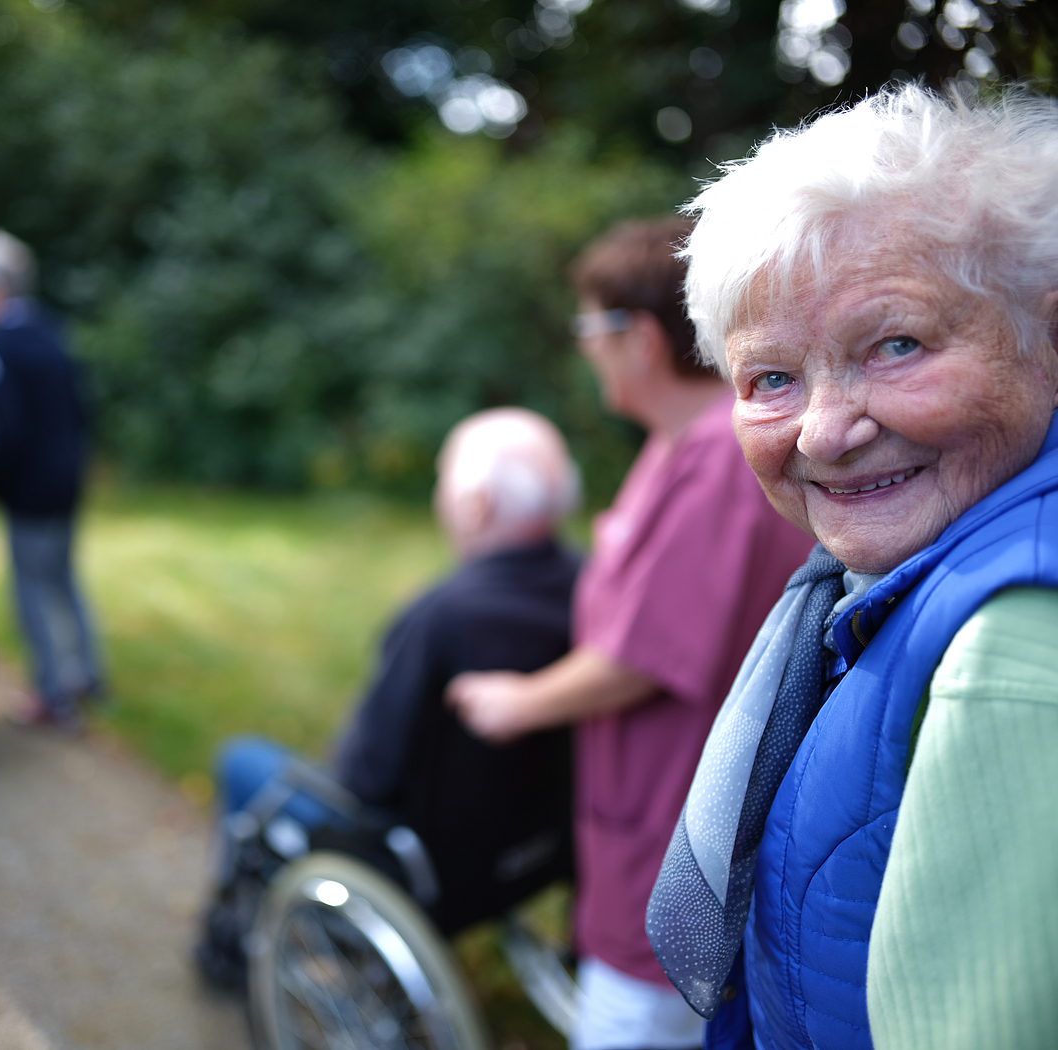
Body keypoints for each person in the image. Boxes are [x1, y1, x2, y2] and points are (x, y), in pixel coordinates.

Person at [643, 86, 1058, 1050]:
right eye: (772, 379)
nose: (827, 432)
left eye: (896, 345)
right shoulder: (885, 589)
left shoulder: (1010, 648)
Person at [447, 219, 813, 1050]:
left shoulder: (720, 455)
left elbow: (645, 654)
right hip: (643, 810)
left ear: (639, 338)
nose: (585, 352)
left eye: (588, 330)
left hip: (673, 820)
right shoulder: (675, 445)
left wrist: (520, 702)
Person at [199, 407, 584, 984]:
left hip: (427, 874)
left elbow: (364, 777)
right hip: (533, 854)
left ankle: (228, 947)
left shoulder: (441, 617)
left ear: (475, 505)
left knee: (240, 760)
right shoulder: (590, 584)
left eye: (443, 478)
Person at [0, 229, 99, 730]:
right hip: (67, 481)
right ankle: (88, 674)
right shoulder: (50, 328)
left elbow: (6, 429)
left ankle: (52, 694)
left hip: (30, 490)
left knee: (31, 591)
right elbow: (80, 410)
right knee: (63, 579)